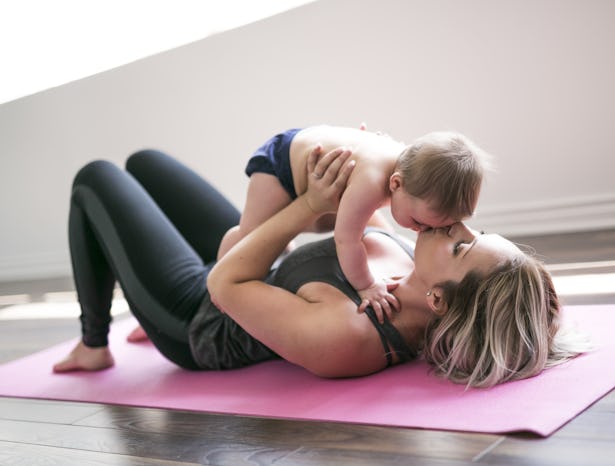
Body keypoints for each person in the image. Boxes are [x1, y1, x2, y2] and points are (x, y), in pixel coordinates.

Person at [53, 147, 585, 388]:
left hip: (201, 316)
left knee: (94, 177)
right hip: (259, 266)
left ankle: (94, 343)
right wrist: (348, 176)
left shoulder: (350, 336)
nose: (460, 227)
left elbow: (224, 284)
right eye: (480, 233)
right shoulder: (410, 266)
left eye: (464, 247)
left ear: (441, 300)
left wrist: (308, 205)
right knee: (148, 162)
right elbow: (326, 240)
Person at [220, 125, 493, 318]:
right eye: (418, 222)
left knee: (310, 225)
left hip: (308, 153)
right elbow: (346, 239)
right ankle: (221, 286)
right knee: (252, 237)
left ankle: (281, 247)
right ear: (395, 183)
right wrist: (366, 285)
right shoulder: (371, 182)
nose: (423, 231)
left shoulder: (407, 164)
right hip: (280, 166)